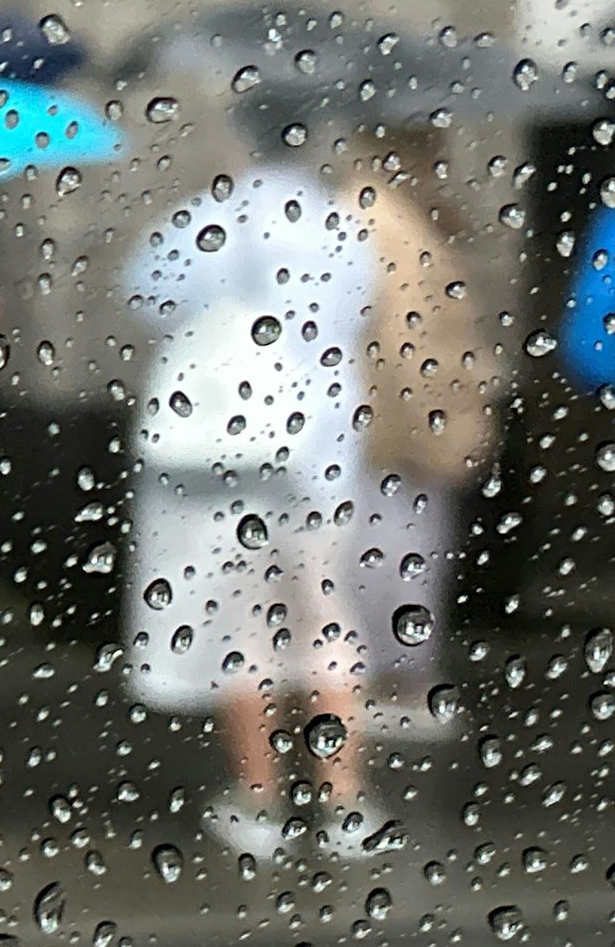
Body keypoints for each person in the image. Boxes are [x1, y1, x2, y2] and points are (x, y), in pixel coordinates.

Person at [121, 162, 388, 858]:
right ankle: (344, 800)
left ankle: (259, 799)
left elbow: (143, 295)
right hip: (323, 456)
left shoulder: (205, 215)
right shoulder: (337, 225)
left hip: (226, 462)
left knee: (244, 626)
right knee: (326, 619)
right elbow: (363, 308)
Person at [347, 132, 501, 737]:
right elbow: (404, 347)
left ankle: (391, 680)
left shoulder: (397, 216)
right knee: (396, 557)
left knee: (395, 555)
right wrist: (427, 436)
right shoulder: (388, 225)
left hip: (390, 433)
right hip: (397, 437)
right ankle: (392, 687)